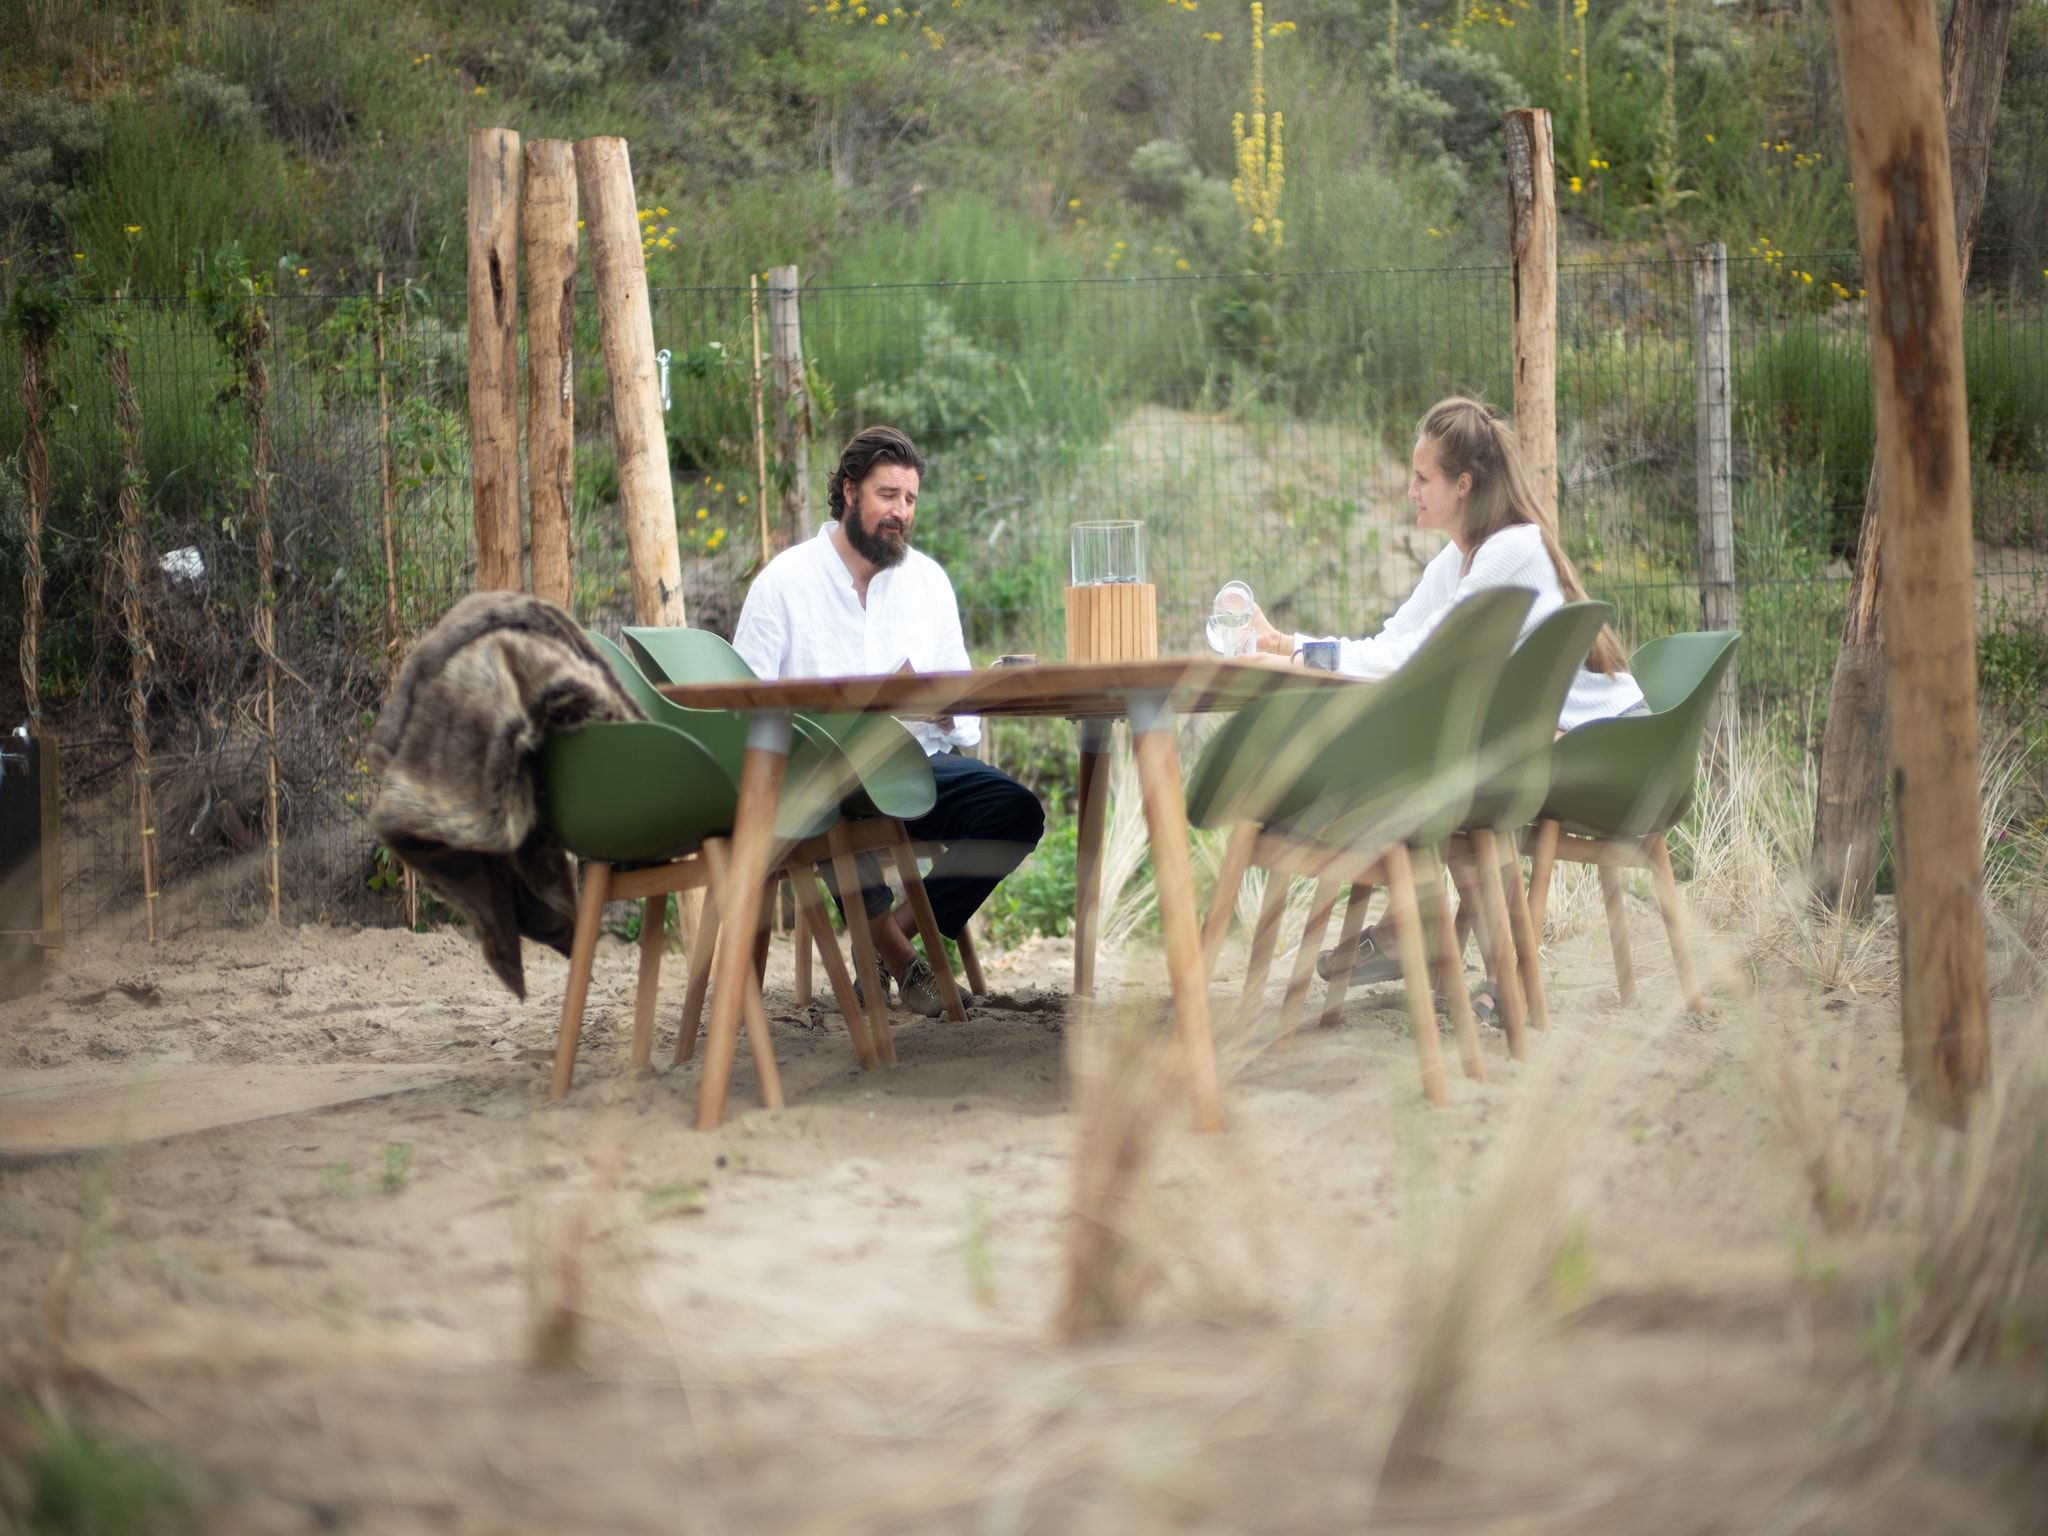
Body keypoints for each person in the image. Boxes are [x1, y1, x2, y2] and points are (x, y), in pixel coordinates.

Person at [1244, 397, 1647, 1011]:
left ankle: (1426, 935)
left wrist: (1296, 661)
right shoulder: (1458, 560)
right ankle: (1432, 938)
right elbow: (1392, 645)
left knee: (1458, 769)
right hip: (1551, 735)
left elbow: (1422, 661)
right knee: (1451, 758)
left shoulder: (1513, 549)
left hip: (1610, 743)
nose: (1410, 490)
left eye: (1422, 478)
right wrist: (1287, 643)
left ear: (1464, 485)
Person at [732, 424, 1045, 1016]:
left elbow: (968, 722)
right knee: (822, 783)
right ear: (849, 493)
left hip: (914, 766)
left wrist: (946, 708)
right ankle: (905, 963)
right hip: (822, 778)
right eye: (886, 495)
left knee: (1015, 812)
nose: (900, 512)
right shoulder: (784, 583)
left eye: (909, 499)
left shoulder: (928, 582)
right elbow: (746, 711)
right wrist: (847, 713)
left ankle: (885, 945)